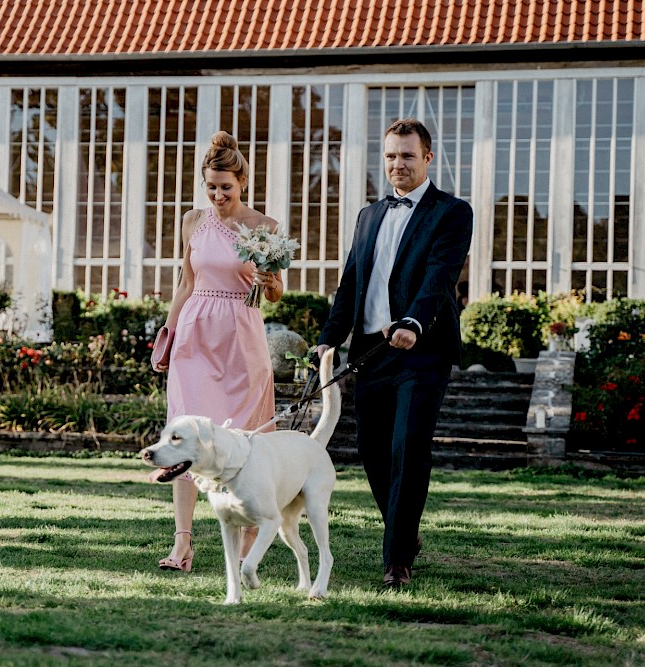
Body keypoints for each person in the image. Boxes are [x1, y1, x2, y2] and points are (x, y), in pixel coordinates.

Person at [315, 118, 472, 587]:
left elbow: (440, 276)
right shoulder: (368, 216)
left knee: (408, 448)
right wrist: (329, 336)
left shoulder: (451, 212)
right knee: (372, 451)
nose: (397, 164)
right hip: (370, 352)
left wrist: (414, 322)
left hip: (421, 351)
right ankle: (404, 532)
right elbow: (351, 284)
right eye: (390, 156)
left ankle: (396, 559)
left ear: (427, 158)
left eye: (406, 155)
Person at [153, 130, 283, 572]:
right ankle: (182, 544)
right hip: (195, 336)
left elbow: (276, 292)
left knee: (245, 437)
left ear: (242, 181)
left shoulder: (266, 228)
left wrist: (271, 284)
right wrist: (167, 335)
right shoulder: (192, 221)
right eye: (211, 187)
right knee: (184, 436)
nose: (217, 195)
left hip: (241, 338)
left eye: (225, 187)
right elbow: (186, 283)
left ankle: (248, 541)